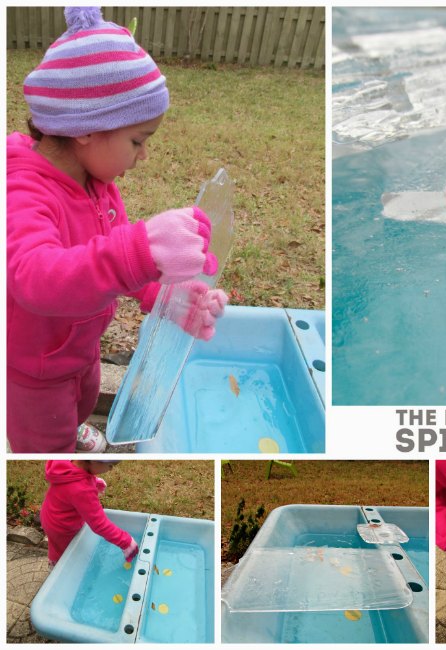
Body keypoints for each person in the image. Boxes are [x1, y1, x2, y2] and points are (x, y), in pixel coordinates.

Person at [7, 7, 228, 453]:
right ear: (87, 129)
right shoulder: (21, 190)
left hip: (80, 347)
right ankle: (58, 450)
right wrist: (138, 251)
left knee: (84, 399)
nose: (143, 156)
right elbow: (35, 277)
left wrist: (172, 300)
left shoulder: (99, 184)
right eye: (138, 140)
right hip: (34, 371)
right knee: (46, 439)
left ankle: (71, 430)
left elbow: (120, 266)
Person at [40, 460, 137, 567]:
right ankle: (55, 569)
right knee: (65, 554)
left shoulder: (66, 463)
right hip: (62, 526)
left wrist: (93, 481)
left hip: (51, 513)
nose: (111, 469)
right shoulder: (82, 490)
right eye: (110, 465)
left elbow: (75, 476)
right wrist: (126, 542)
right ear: (95, 461)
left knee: (56, 545)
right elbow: (100, 524)